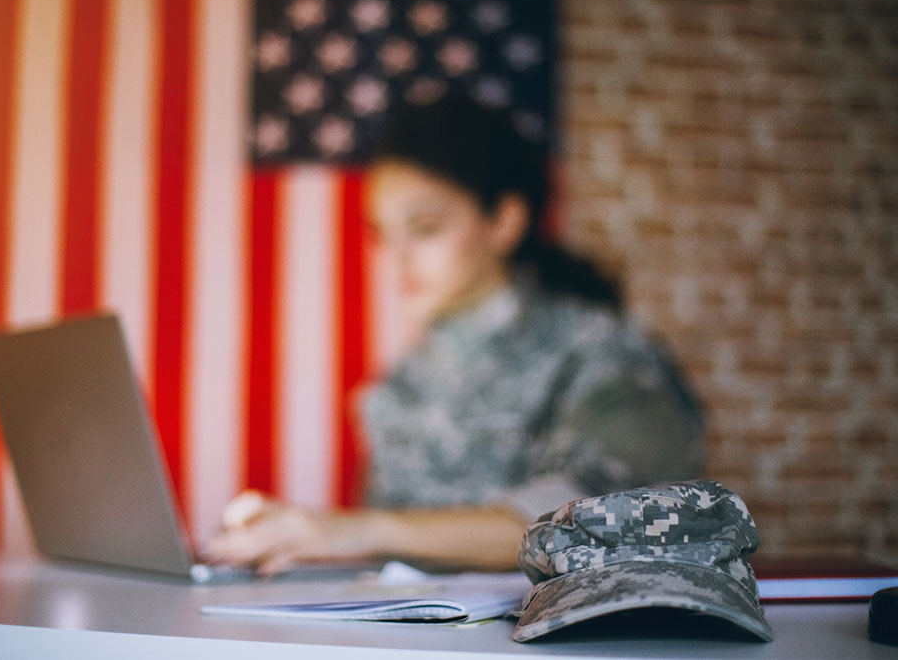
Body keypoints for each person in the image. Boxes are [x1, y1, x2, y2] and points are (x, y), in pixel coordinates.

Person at [204, 92, 704, 575]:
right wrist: (302, 544)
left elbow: (610, 523)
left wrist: (358, 531)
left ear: (504, 221)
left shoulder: (604, 354)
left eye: (424, 227)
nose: (395, 259)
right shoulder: (398, 388)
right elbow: (394, 563)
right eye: (381, 233)